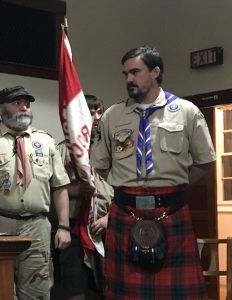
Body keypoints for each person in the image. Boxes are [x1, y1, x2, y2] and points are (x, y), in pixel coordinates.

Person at [90, 46, 216, 299]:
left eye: (135, 72)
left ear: (155, 71)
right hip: (125, 211)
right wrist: (127, 187)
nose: (129, 80)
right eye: (125, 74)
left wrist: (171, 191)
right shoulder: (112, 116)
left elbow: (205, 163)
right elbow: (101, 165)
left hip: (172, 211)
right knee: (125, 293)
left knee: (177, 294)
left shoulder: (187, 112)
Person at [0, 85, 71, 299]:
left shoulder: (45, 142)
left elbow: (60, 186)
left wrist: (64, 225)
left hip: (36, 227)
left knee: (37, 291)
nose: (24, 107)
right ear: (2, 109)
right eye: (17, 103)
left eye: (27, 103)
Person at [51, 95, 112, 300]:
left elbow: (123, 189)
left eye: (98, 112)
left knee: (103, 283)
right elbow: (51, 190)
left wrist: (108, 219)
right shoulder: (61, 150)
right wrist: (76, 190)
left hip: (103, 224)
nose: (95, 117)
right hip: (73, 224)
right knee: (74, 282)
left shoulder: (112, 151)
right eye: (90, 112)